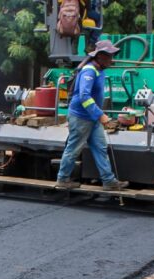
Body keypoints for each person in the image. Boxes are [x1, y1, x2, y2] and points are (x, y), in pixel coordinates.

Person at [55, 39, 128, 191]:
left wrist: (97, 116)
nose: (111, 59)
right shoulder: (89, 71)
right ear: (100, 57)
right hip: (81, 118)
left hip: (92, 118)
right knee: (74, 148)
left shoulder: (99, 71)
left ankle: (109, 181)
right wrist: (101, 115)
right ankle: (62, 179)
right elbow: (84, 97)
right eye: (109, 56)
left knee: (101, 147)